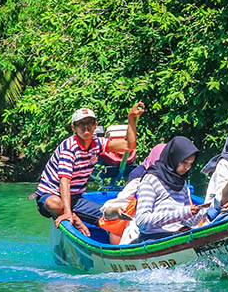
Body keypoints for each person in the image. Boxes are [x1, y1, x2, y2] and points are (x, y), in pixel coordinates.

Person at [34, 103, 143, 235]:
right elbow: (65, 181)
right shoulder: (69, 148)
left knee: (112, 218)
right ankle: (74, 218)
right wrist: (68, 213)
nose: (86, 127)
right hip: (51, 195)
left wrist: (131, 119)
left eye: (89, 122)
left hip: (75, 198)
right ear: (74, 127)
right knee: (55, 204)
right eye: (81, 124)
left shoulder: (97, 143)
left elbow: (128, 145)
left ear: (95, 124)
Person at [124, 136, 209, 244]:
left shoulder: (182, 183)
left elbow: (187, 221)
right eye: (184, 162)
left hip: (178, 235)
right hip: (154, 239)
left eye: (190, 164)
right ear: (174, 158)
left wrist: (204, 211)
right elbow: (142, 220)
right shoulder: (151, 179)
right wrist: (184, 212)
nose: (187, 168)